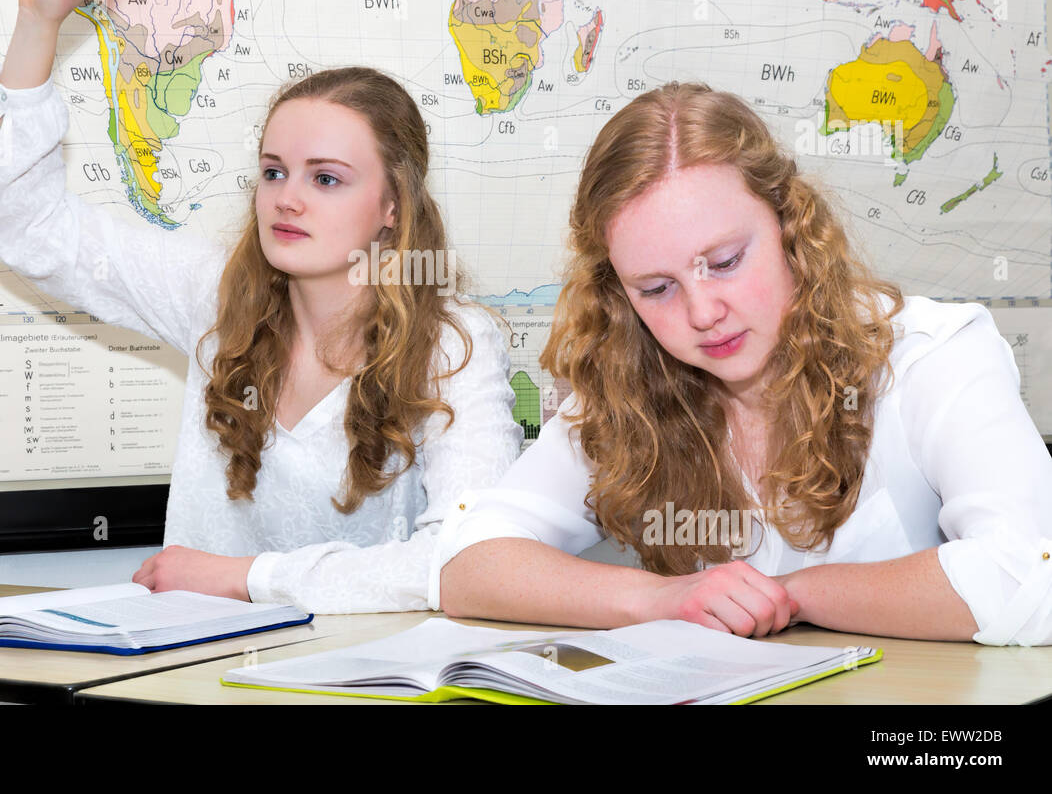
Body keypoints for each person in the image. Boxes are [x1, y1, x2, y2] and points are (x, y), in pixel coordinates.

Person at [0, 0, 522, 613]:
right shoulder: (212, 297)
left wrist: (243, 578)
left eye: (325, 178)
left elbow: (467, 560)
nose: (286, 199)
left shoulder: (454, 345)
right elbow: (28, 228)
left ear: (393, 207)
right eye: (273, 171)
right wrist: (39, 21)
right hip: (192, 678)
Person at [438, 81, 1052, 645]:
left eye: (726, 261)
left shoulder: (932, 355)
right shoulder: (627, 387)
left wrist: (794, 598)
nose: (703, 312)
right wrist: (664, 597)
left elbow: (1028, 571)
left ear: (790, 225)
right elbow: (471, 563)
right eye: (656, 288)